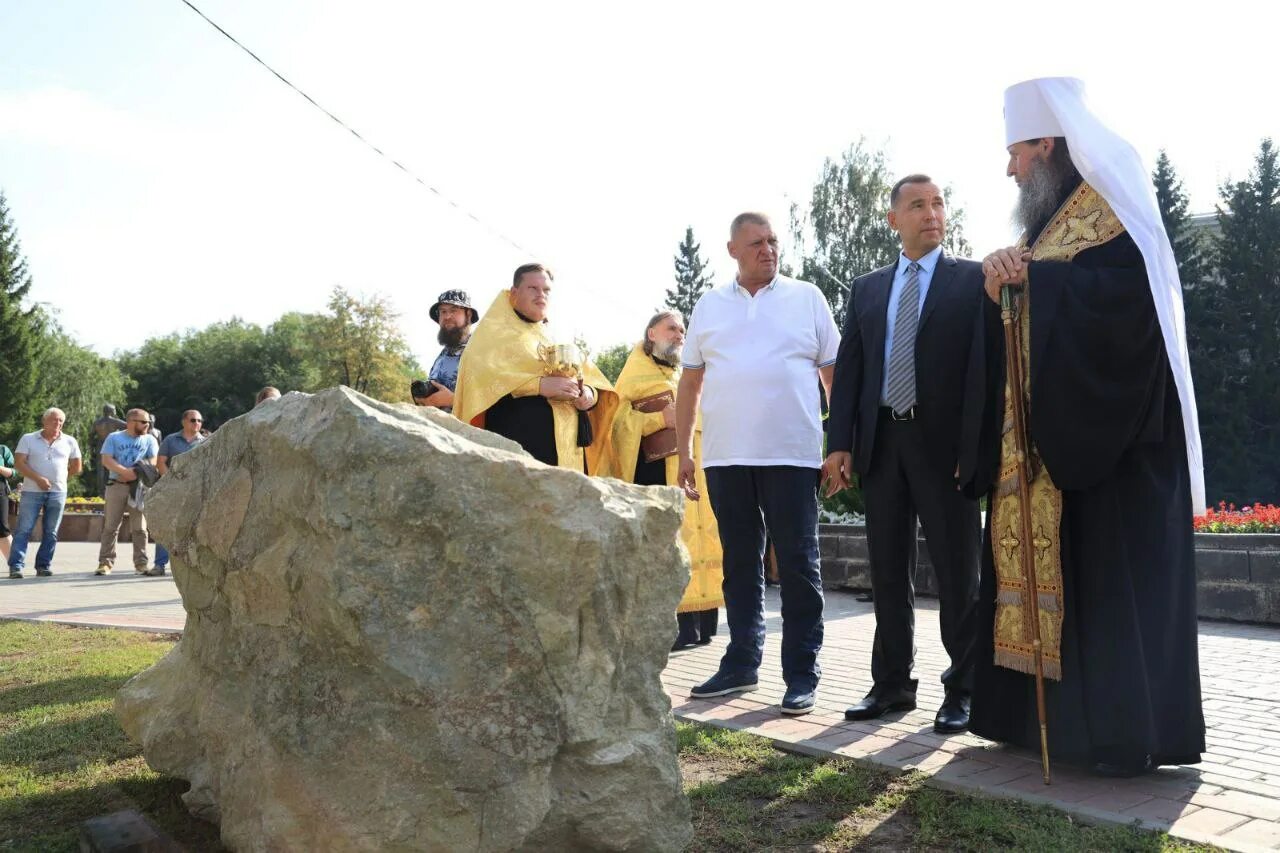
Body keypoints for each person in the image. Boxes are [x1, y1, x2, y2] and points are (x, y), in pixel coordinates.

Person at [960, 77, 1206, 776]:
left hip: (1115, 453)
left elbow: (1127, 315)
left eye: (1016, 154)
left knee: (1105, 590)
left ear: (1047, 146)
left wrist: (1032, 279)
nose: (1009, 169)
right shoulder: (1051, 222)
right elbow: (1027, 306)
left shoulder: (1116, 213)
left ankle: (1117, 734)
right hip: (1053, 450)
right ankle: (1029, 721)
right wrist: (1001, 283)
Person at [822, 175, 986, 734]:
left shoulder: (972, 280)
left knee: (958, 572)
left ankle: (964, 689)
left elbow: (980, 373)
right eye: (917, 206)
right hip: (882, 445)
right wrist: (839, 442)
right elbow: (851, 372)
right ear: (894, 219)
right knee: (888, 572)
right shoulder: (868, 288)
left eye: (938, 203)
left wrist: (975, 446)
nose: (931, 214)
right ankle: (892, 684)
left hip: (945, 450)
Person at [676, 212, 839, 716]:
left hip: (792, 455)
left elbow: (834, 372)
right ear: (732, 251)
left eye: (772, 241)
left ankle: (801, 674)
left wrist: (840, 446)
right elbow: (690, 383)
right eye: (756, 243)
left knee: (798, 565)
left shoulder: (807, 297)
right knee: (739, 566)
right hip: (726, 457)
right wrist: (685, 450)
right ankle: (742, 662)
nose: (767, 250)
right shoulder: (709, 305)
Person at [610, 311, 724, 651]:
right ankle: (675, 627)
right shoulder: (634, 375)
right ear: (651, 333)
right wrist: (659, 417)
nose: (679, 335)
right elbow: (615, 427)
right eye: (672, 328)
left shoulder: (691, 374)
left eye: (682, 330)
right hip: (658, 475)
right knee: (672, 543)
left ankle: (704, 622)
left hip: (700, 468)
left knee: (705, 540)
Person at [453, 264, 618, 474]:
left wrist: (588, 394)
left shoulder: (556, 335)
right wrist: (538, 385)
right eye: (533, 288)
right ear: (514, 293)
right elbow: (479, 381)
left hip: (571, 450)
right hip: (519, 446)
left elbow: (593, 381)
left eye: (546, 290)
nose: (541, 295)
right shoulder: (491, 335)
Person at [8, 408, 83, 578]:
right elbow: (19, 464)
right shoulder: (28, 438)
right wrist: (39, 479)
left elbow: (77, 467)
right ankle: (16, 566)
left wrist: (61, 478)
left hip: (58, 492)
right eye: (54, 420)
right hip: (31, 491)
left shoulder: (69, 441)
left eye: (61, 421)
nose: (57, 424)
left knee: (51, 531)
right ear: (44, 421)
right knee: (23, 529)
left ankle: (43, 566)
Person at [96, 409, 160, 576]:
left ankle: (141, 563)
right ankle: (105, 563)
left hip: (139, 487)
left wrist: (135, 472)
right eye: (144, 422)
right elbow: (106, 459)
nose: (148, 425)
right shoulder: (114, 437)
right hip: (116, 486)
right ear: (132, 422)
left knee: (140, 528)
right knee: (111, 526)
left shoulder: (149, 439)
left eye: (148, 422)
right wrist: (124, 472)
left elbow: (153, 460)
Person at [150, 409, 207, 576]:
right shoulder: (170, 440)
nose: (197, 423)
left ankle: (191, 566)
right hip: (172, 490)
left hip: (195, 491)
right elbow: (161, 462)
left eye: (199, 420)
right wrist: (172, 482)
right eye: (193, 420)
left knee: (193, 528)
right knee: (166, 526)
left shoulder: (205, 442)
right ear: (184, 422)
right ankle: (159, 565)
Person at [412, 290, 478, 413]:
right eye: (443, 311)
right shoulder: (442, 356)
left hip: (467, 431)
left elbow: (494, 398)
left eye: (453, 310)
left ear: (468, 315)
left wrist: (453, 400)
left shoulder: (481, 350)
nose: (447, 317)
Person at [91, 404, 126, 492]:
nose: (115, 411)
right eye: (114, 410)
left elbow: (90, 435)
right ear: (111, 411)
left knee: (100, 470)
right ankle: (111, 489)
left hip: (100, 446)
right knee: (114, 468)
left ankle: (101, 491)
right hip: (113, 447)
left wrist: (92, 447)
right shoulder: (115, 422)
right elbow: (130, 427)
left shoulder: (97, 422)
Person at [0, 441, 18, 565]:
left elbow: (15, 471)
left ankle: (14, 565)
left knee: (2, 528)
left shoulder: (3, 449)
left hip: (0, 490)